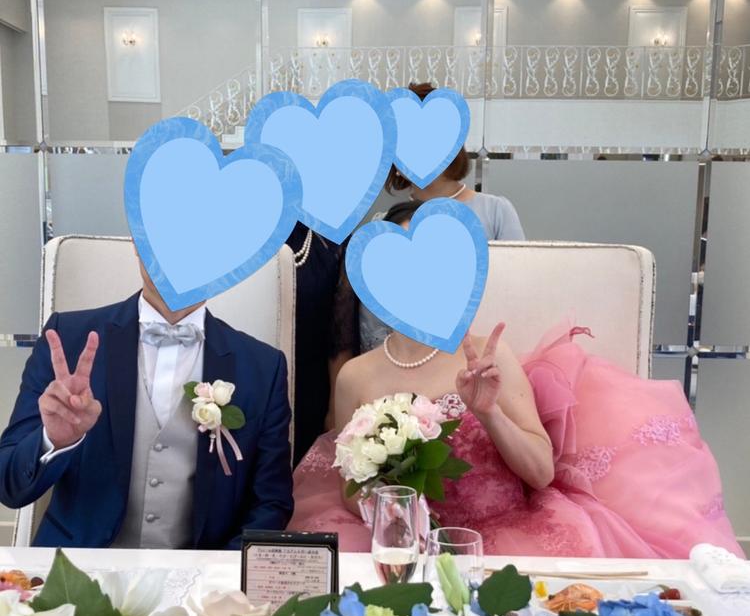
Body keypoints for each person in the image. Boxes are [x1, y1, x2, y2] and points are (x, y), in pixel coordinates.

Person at [290, 202, 744, 559]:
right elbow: (349, 491)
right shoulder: (355, 376)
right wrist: (398, 507)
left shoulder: (489, 356)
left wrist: (489, 413)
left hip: (507, 536)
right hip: (404, 542)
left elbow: (541, 473)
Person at [0, 253, 294, 550]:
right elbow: (9, 486)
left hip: (201, 575)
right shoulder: (68, 337)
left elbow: (271, 502)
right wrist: (52, 441)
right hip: (75, 567)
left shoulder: (262, 367)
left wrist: (221, 572)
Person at [358, 80, 526, 353]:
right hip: (407, 366)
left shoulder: (496, 212)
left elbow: (517, 294)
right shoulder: (384, 224)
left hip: (483, 358)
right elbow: (375, 322)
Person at [284, 221, 353, 465]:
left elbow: (341, 333)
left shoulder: (334, 240)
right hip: (241, 379)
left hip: (311, 386)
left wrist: (336, 405)